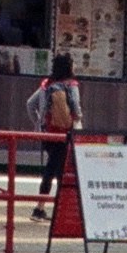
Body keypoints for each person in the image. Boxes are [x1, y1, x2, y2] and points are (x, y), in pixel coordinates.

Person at [29, 51, 84, 200]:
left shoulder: (46, 85)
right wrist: (78, 117)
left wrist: (38, 123)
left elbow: (30, 104)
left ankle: (46, 206)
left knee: (53, 167)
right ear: (68, 67)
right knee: (58, 170)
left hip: (48, 134)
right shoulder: (71, 84)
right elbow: (75, 106)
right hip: (64, 133)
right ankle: (48, 207)